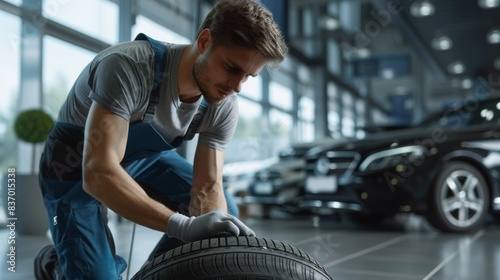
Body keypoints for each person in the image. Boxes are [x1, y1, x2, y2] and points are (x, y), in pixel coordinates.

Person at [33, 0, 288, 279]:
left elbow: (207, 189)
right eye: (231, 68)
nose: (237, 86)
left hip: (141, 160)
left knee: (221, 220)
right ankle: (58, 264)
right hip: (74, 166)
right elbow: (98, 173)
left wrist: (214, 246)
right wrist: (183, 226)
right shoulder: (128, 67)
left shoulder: (223, 105)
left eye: (248, 77)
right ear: (205, 41)